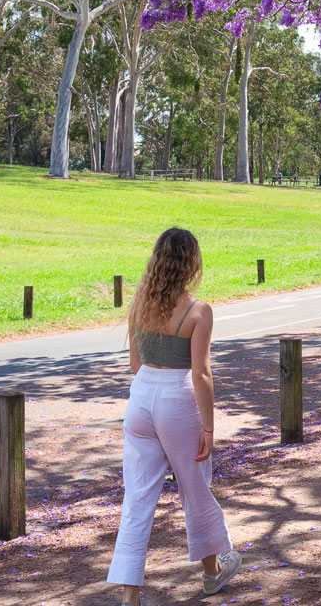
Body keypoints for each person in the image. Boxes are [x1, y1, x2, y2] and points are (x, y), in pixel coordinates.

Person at [108, 227, 240, 603]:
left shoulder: (139, 304)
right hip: (178, 400)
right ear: (191, 264)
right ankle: (212, 573)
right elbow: (200, 373)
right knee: (195, 488)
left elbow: (136, 364)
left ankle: (130, 596)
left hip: (141, 397)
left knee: (137, 498)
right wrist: (210, 429)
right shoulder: (199, 312)